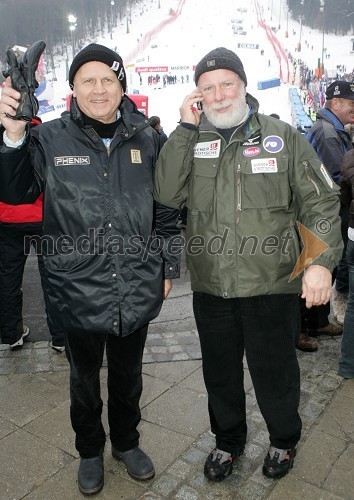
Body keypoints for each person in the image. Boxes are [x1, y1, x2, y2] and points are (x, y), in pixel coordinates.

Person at [154, 47, 342, 482]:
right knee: (219, 372)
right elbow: (165, 193)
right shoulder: (191, 137)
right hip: (211, 286)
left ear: (242, 86)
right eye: (208, 88)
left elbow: (322, 200)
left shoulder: (282, 136)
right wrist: (183, 128)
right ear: (197, 95)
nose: (218, 96)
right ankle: (227, 441)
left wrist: (319, 262)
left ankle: (283, 439)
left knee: (275, 371)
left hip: (270, 285)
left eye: (226, 84)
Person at [0, 43, 180, 496]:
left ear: (123, 86)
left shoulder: (147, 137)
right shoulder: (50, 138)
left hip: (136, 279)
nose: (99, 89)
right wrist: (14, 135)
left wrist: (167, 264)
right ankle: (89, 450)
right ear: (73, 89)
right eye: (88, 81)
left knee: (128, 374)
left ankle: (127, 441)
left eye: (108, 80)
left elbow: (163, 210)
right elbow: (18, 192)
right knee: (83, 380)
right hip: (75, 284)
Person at [306, 81, 354, 327]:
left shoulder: (333, 129)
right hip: (328, 210)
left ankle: (317, 321)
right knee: (327, 263)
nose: (353, 109)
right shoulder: (327, 133)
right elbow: (339, 176)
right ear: (335, 103)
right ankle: (313, 323)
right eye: (350, 104)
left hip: (331, 209)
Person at [0, 189, 65, 352]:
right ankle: (60, 337)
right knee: (52, 275)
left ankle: (12, 334)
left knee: (9, 275)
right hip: (44, 212)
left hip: (7, 213)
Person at [338, 148, 354, 378]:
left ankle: (348, 365)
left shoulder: (350, 155)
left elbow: (343, 196)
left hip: (353, 234)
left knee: (353, 305)